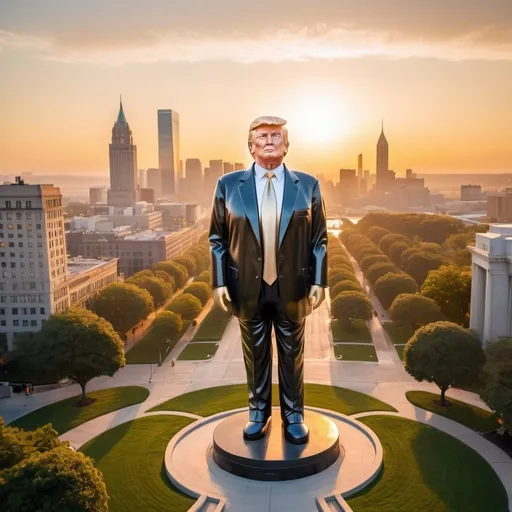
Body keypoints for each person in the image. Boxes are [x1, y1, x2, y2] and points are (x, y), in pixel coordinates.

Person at [208, 116, 328, 445]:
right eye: (262, 136)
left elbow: (319, 238)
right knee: (256, 354)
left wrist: (319, 280)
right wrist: (219, 282)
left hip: (293, 288)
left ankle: (293, 416)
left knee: (293, 355)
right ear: (251, 146)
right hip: (247, 287)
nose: (270, 141)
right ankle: (258, 412)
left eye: (277, 135)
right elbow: (217, 238)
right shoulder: (228, 186)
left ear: (287, 146)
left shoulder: (308, 185)